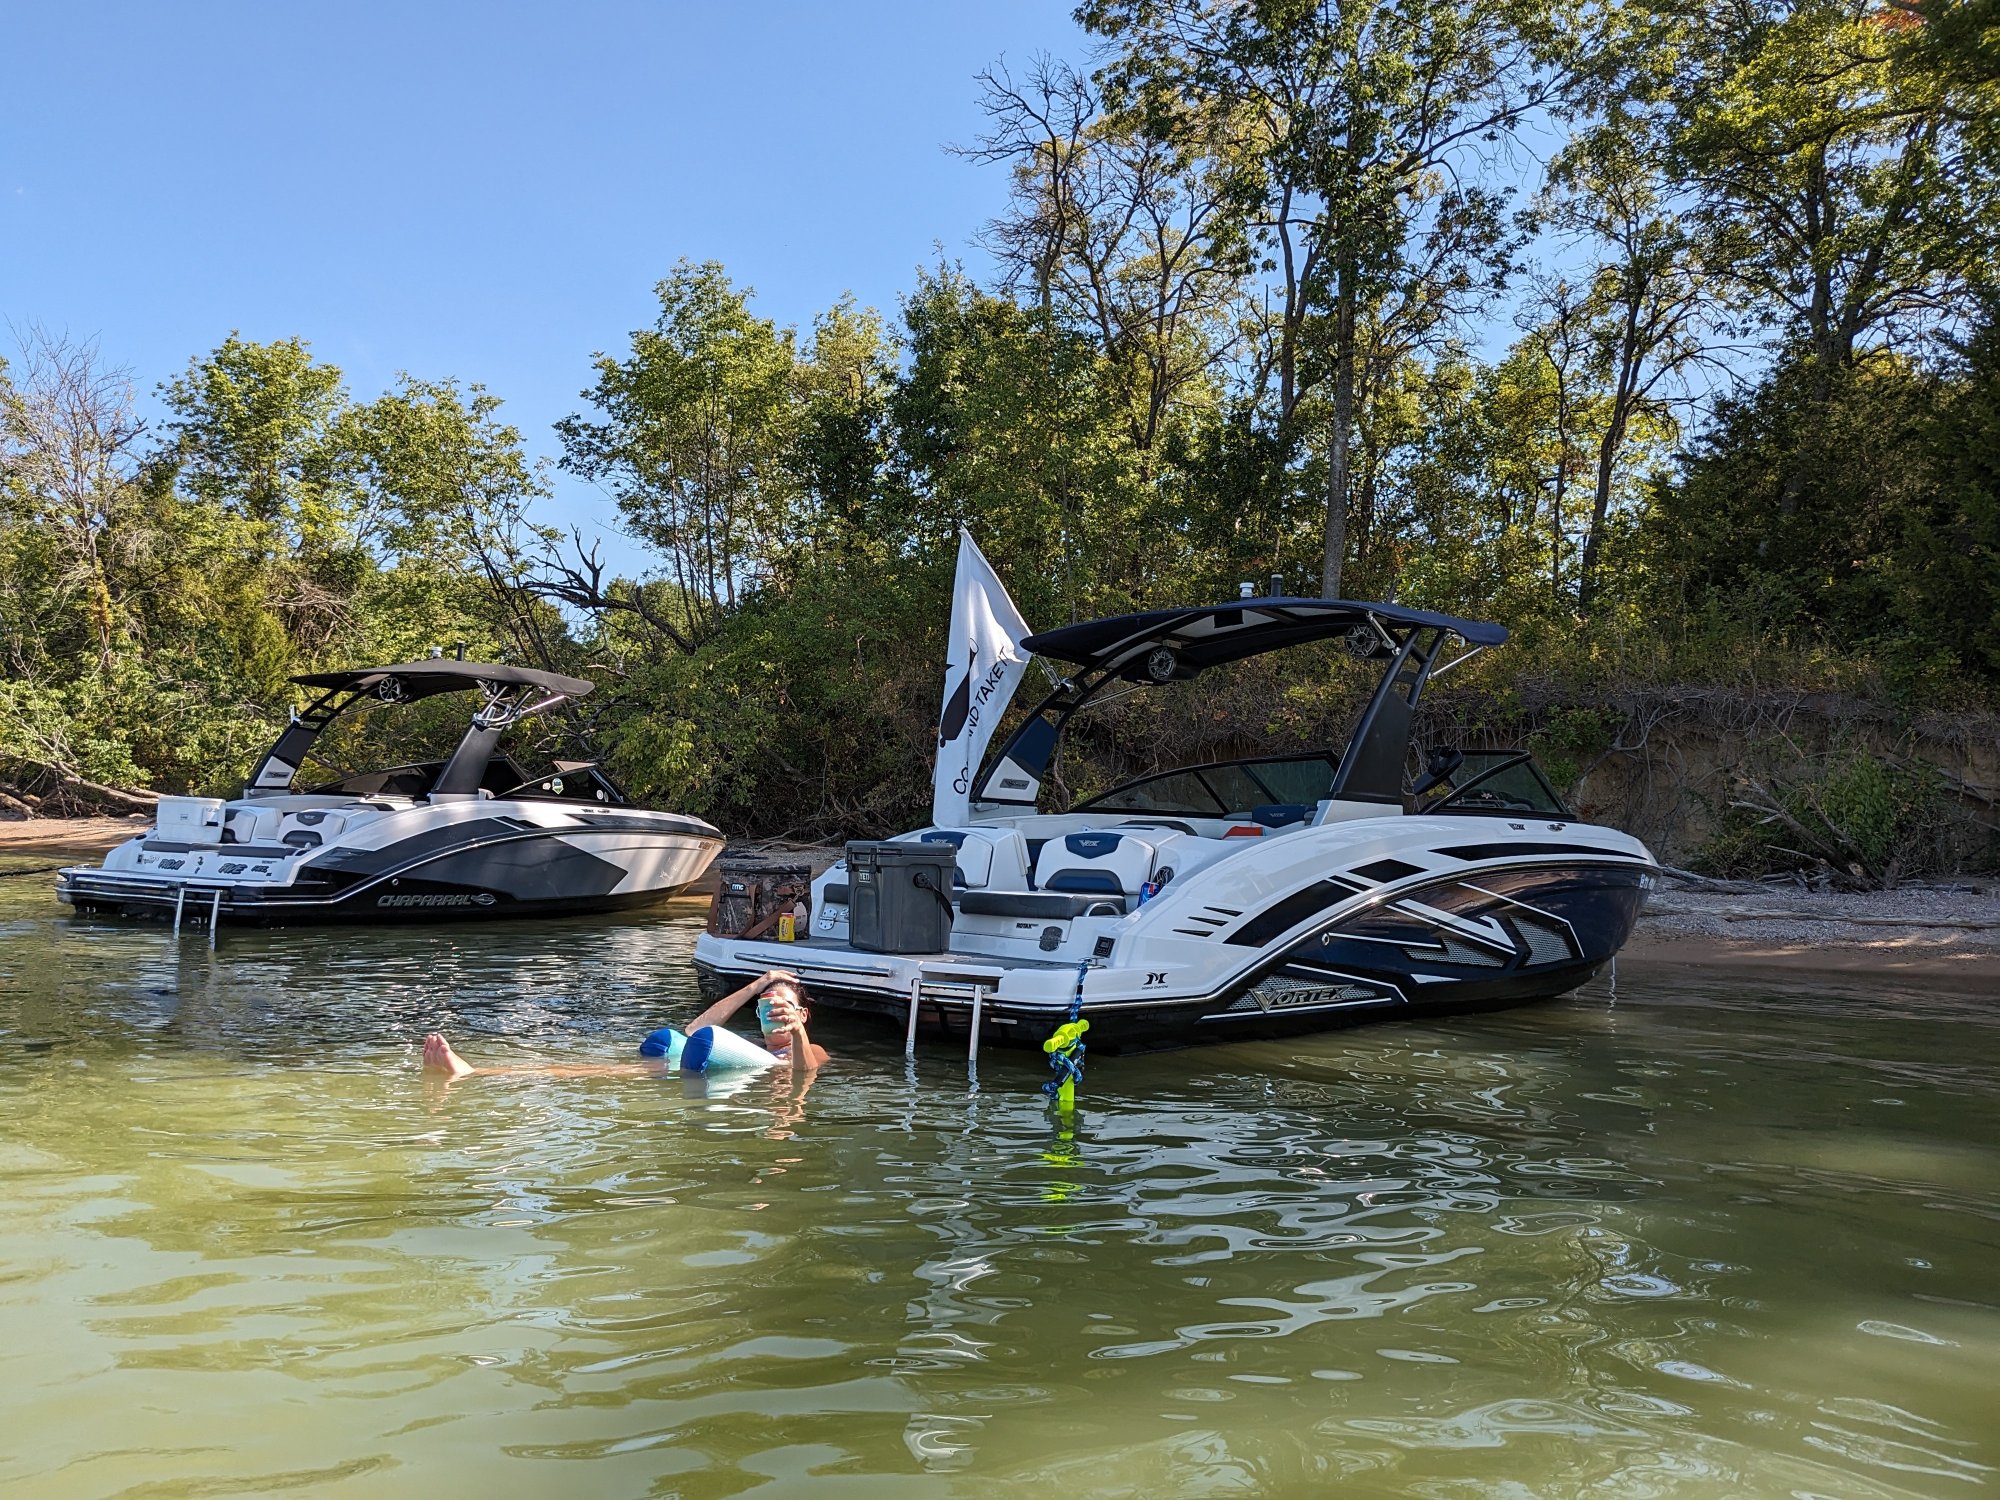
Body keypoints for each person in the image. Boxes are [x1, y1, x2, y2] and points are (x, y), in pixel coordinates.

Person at [419, 968, 826, 1079]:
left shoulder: (810, 1049)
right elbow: (692, 1030)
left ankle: (474, 1073)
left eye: (784, 1006)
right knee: (608, 1068)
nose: (774, 1011)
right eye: (765, 1006)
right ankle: (479, 1072)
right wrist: (756, 985)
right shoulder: (745, 1048)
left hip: (746, 1087)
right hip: (709, 1073)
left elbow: (805, 1072)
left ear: (802, 1014)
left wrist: (797, 1030)